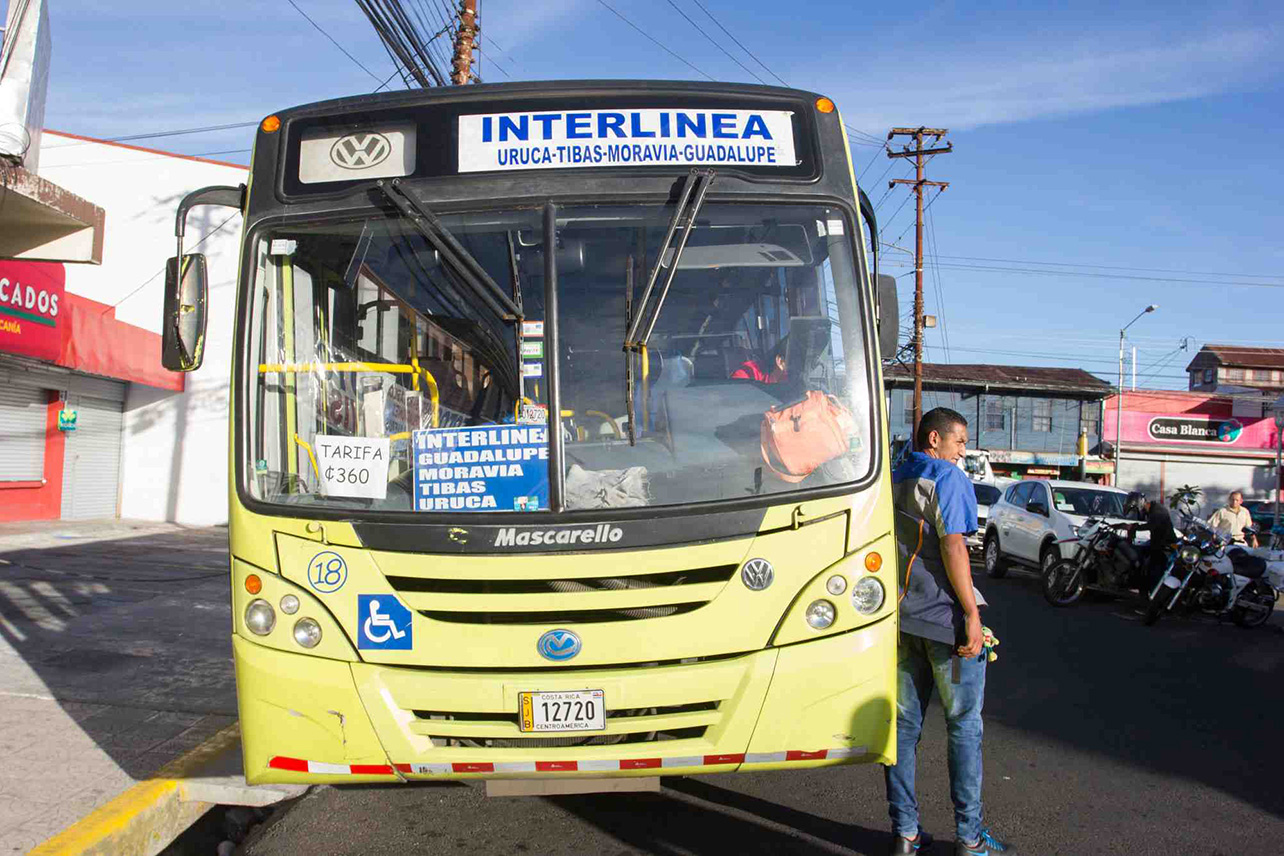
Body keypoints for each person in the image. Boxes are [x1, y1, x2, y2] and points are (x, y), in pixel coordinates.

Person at [886, 407, 1016, 856]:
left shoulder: (895, 474)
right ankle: (970, 838)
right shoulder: (948, 477)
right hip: (947, 623)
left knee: (903, 729)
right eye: (959, 441)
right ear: (935, 438)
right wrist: (972, 615)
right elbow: (954, 545)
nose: (964, 450)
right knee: (963, 727)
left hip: (902, 621)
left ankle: (905, 833)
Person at [1124, 490, 1178, 593]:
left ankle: (1152, 594)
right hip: (1156, 543)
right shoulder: (1153, 510)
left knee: (1154, 570)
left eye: (1135, 509)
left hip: (1164, 546)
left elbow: (1152, 525)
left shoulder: (1158, 511)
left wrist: (1135, 527)